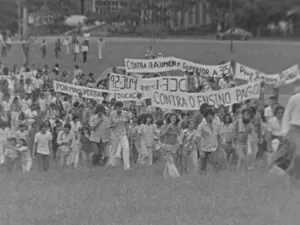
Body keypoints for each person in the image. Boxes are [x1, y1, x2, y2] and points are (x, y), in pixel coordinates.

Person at [196, 107, 222, 173]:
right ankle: (202, 180)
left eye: (211, 115)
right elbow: (198, 138)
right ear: (205, 116)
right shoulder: (201, 125)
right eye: (208, 115)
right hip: (203, 148)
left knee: (216, 164)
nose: (210, 117)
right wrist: (200, 151)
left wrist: (220, 147)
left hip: (213, 148)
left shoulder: (216, 124)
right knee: (202, 167)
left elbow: (219, 135)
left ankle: (217, 179)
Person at [107, 101, 130, 170]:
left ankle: (127, 167)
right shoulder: (112, 114)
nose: (119, 109)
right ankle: (112, 165)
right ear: (116, 108)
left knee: (126, 148)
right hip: (115, 134)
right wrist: (113, 125)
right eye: (118, 108)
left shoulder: (125, 113)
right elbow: (109, 125)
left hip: (123, 133)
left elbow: (128, 122)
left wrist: (128, 131)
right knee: (113, 150)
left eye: (121, 108)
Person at [161, 113, 181, 178]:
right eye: (172, 117)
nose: (173, 119)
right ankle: (175, 176)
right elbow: (163, 134)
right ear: (169, 118)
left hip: (173, 146)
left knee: (169, 162)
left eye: (175, 117)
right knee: (170, 161)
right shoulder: (166, 125)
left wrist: (178, 145)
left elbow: (178, 135)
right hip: (166, 145)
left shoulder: (177, 126)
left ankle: (165, 176)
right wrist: (168, 128)